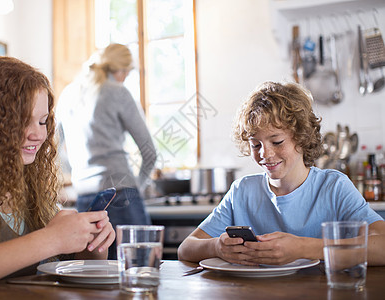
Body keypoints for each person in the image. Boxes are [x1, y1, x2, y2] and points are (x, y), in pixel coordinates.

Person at [0, 57, 115, 290]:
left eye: (42, 122)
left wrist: (92, 244)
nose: (38, 135)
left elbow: (69, 265)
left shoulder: (28, 182)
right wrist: (51, 239)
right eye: (21, 122)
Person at [177, 81, 385, 266]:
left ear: (302, 137)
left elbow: (382, 245)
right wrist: (216, 247)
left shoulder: (334, 187)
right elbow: (186, 248)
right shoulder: (242, 191)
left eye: (277, 142)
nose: (265, 154)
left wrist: (302, 248)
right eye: (255, 144)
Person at [56, 44, 157, 260]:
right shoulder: (118, 92)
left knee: (92, 276)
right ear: (120, 70)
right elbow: (150, 152)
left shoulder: (68, 95)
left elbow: (53, 151)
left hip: (85, 200)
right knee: (138, 272)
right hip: (122, 194)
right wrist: (135, 187)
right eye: (127, 73)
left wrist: (77, 174)